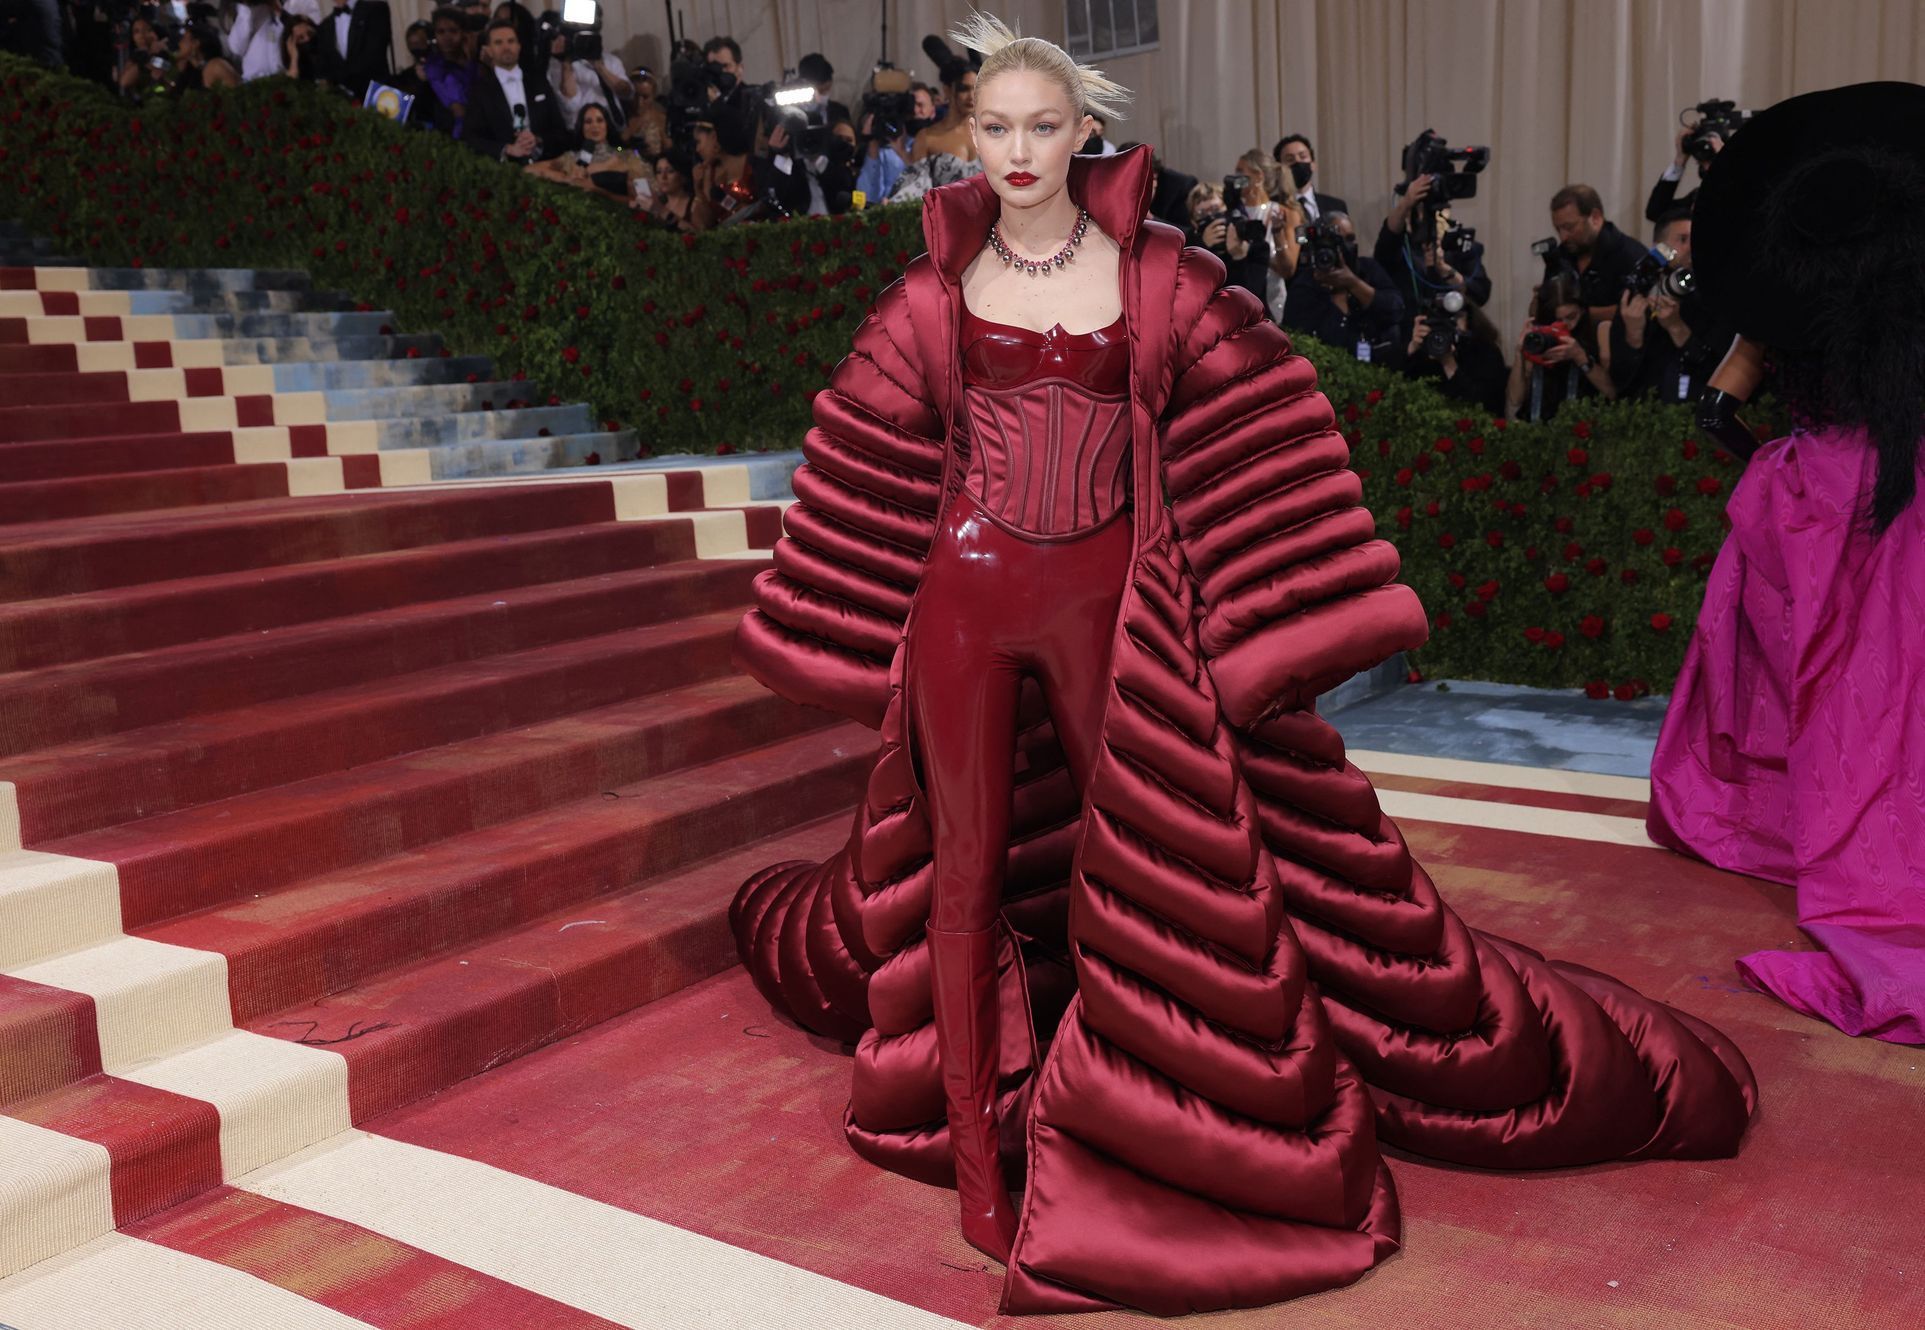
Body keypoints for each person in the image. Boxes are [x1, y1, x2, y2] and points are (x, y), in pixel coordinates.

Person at [727, 10, 1754, 1319]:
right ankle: (982, 1163)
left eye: (1046, 124)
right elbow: (868, 454)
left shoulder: (1162, 272)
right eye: (997, 127)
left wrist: (1264, 608)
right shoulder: (929, 288)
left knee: (1155, 868)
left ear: (1084, 130)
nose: (1023, 147)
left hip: (1110, 605)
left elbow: (1266, 418)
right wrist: (842, 602)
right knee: (966, 879)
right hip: (963, 606)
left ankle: (1149, 1134)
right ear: (967, 138)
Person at [1650, 81, 1925, 1045]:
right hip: (1902, 505)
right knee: (1887, 695)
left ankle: (1791, 817)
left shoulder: (1773, 318)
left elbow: (1715, 413)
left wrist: (1774, 459)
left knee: (1801, 681)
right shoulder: (1903, 323)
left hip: (1809, 507)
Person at [1608, 209, 1728, 404]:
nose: (1691, 247)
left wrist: (1677, 328)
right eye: (1682, 239)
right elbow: (1619, 382)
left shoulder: (1713, 300)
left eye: (1695, 240)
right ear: (1659, 248)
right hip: (1646, 417)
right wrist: (1633, 336)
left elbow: (1720, 372)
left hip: (1694, 413)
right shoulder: (1637, 296)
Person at [1282, 209, 1404, 364]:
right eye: (1337, 241)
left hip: (1378, 368)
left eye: (1350, 239)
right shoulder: (1304, 287)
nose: (1346, 246)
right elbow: (1297, 343)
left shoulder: (1369, 270)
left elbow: (1396, 309)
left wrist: (1353, 283)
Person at [1505, 271, 1613, 420]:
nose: (1565, 325)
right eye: (1557, 319)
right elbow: (1515, 399)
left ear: (1582, 310)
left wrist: (1580, 357)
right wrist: (1520, 353)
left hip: (1585, 426)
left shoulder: (1599, 330)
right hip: (1540, 425)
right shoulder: (1542, 335)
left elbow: (1612, 392)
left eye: (1571, 317)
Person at [1542, 182, 1648, 327]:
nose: (1563, 237)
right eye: (1558, 229)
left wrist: (1583, 314)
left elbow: (1643, 307)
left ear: (1595, 218)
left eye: (1569, 227)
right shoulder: (1561, 255)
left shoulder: (1630, 254)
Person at [464, 19, 566, 163]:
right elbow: (471, 137)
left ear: (519, 46)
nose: (506, 47)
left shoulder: (539, 83)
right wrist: (507, 149)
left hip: (544, 165)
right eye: (498, 43)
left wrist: (538, 140)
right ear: (488, 50)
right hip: (502, 172)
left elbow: (560, 130)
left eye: (511, 41)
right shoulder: (480, 90)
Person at [1403, 294, 1507, 416]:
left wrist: (1448, 364)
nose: (1447, 326)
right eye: (1440, 321)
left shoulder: (1486, 351)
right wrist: (1412, 348)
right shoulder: (1424, 351)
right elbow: (1399, 391)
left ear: (1469, 319)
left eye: (1453, 320)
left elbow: (1484, 406)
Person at [529, 102, 642, 201]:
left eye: (599, 120)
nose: (594, 126)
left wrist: (599, 191)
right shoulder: (571, 158)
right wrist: (564, 178)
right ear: (581, 128)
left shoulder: (627, 157)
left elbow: (644, 200)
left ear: (607, 125)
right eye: (588, 122)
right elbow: (529, 169)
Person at [1185, 181, 1269, 309]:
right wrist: (1204, 249)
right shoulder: (1188, 249)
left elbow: (1250, 300)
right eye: (1202, 214)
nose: (1212, 217)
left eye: (1215, 209)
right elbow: (1194, 293)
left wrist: (1239, 257)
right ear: (1194, 223)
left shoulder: (1254, 244)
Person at [1646, 115, 1725, 221]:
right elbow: (1656, 212)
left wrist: (1725, 165)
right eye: (1701, 162)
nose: (1706, 168)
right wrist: (1680, 160)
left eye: (1712, 160)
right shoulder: (1696, 198)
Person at [308, 0, 392, 99]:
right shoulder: (324, 26)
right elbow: (324, 66)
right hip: (343, 104)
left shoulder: (376, 9)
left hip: (377, 95)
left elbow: (375, 53)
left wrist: (342, 79)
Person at [908, 57, 976, 163]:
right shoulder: (927, 139)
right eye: (964, 89)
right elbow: (917, 178)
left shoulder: (991, 136)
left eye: (976, 89)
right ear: (947, 90)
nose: (971, 96)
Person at [421, 6, 476, 138]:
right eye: (441, 32)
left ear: (464, 33)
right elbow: (459, 110)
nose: (447, 37)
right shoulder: (433, 65)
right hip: (450, 133)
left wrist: (471, 59)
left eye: (453, 31)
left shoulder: (476, 62)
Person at [1273, 131, 1345, 221]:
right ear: (1279, 169)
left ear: (1313, 165)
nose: (1297, 162)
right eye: (1290, 159)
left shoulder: (1336, 206)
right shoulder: (1272, 206)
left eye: (1303, 156)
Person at [639, 147, 699, 232]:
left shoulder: (695, 205)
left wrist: (662, 211)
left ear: (683, 176)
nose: (663, 177)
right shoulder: (657, 203)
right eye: (659, 172)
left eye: (670, 171)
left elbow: (698, 235)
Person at [174, 19, 241, 90]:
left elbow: (240, 94)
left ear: (196, 43)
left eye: (184, 39)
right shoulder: (191, 71)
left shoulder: (217, 66)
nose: (179, 43)